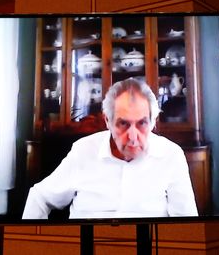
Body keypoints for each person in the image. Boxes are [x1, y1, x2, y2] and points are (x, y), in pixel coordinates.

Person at [22, 78, 198, 219]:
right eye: (123, 123)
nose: (133, 136)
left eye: (142, 123)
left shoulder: (171, 156)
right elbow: (39, 198)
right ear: (108, 121)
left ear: (153, 121)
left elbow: (187, 222)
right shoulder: (83, 151)